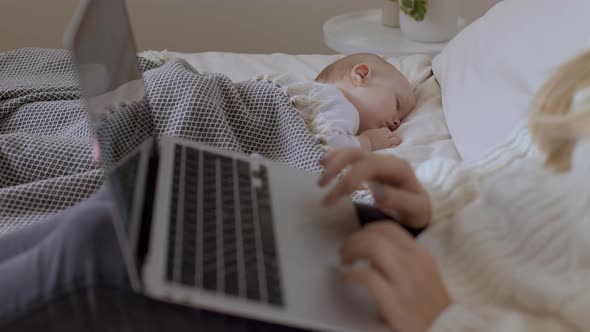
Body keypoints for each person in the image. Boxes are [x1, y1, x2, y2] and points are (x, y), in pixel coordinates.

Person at [1, 51, 589, 332]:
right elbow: (524, 170)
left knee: (103, 253)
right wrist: (435, 194)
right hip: (407, 241)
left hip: (424, 308)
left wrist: (448, 320)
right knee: (143, 205)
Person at [318, 50, 590, 331]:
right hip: (421, 242)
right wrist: (433, 196)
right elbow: (514, 163)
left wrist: (448, 321)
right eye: (397, 104)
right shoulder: (581, 79)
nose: (397, 122)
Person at [286, 53, 416, 151]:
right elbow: (328, 143)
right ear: (361, 76)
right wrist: (368, 142)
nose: (397, 123)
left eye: (401, 118)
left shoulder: (313, 98)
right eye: (397, 104)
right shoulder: (337, 100)